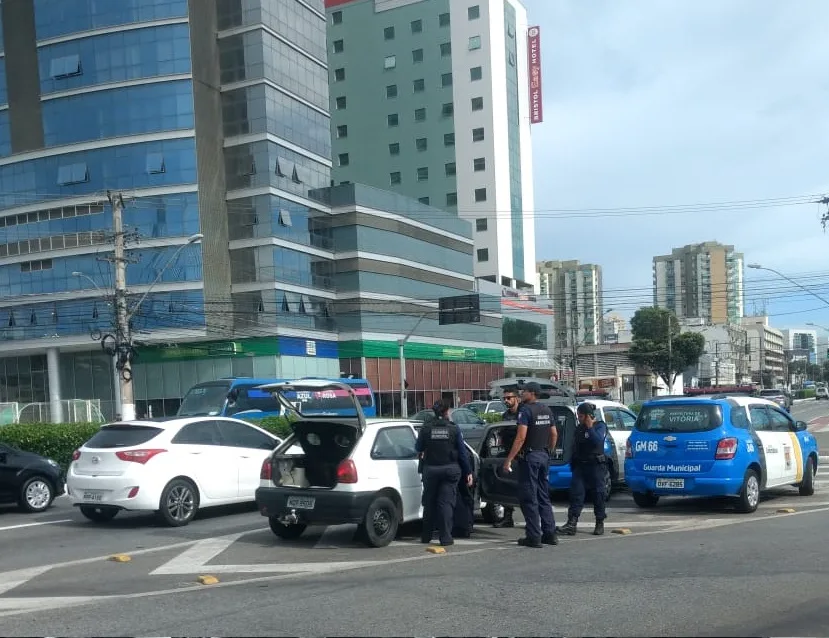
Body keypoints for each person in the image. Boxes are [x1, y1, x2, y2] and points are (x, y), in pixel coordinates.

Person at [502, 382, 558, 548]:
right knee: (543, 496)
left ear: (532, 393)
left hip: (530, 457)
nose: (522, 393)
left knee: (529, 498)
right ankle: (550, 533)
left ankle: (534, 536)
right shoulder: (547, 410)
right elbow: (554, 434)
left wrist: (509, 459)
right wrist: (548, 452)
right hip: (543, 455)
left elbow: (520, 438)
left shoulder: (525, 410)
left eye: (524, 391)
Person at [416, 400, 474, 546]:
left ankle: (426, 536)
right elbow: (462, 453)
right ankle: (446, 538)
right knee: (445, 504)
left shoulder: (426, 428)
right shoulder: (454, 429)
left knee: (429, 503)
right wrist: (468, 471)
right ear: (447, 412)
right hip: (450, 470)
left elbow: (418, 447)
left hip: (430, 470)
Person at [556, 402, 608, 537]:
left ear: (588, 416)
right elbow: (574, 446)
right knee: (576, 494)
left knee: (598, 494)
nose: (579, 418)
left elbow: (597, 441)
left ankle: (599, 522)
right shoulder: (579, 428)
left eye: (581, 416)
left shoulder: (600, 426)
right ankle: (571, 523)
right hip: (580, 466)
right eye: (578, 416)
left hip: (595, 466)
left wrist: (590, 427)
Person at [490, 387, 521, 528]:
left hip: (523, 455)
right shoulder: (505, 416)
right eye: (505, 398)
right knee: (506, 485)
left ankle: (533, 519)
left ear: (517, 398)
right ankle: (508, 517)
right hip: (508, 454)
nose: (506, 401)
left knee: (527, 488)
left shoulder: (523, 413)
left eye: (509, 398)